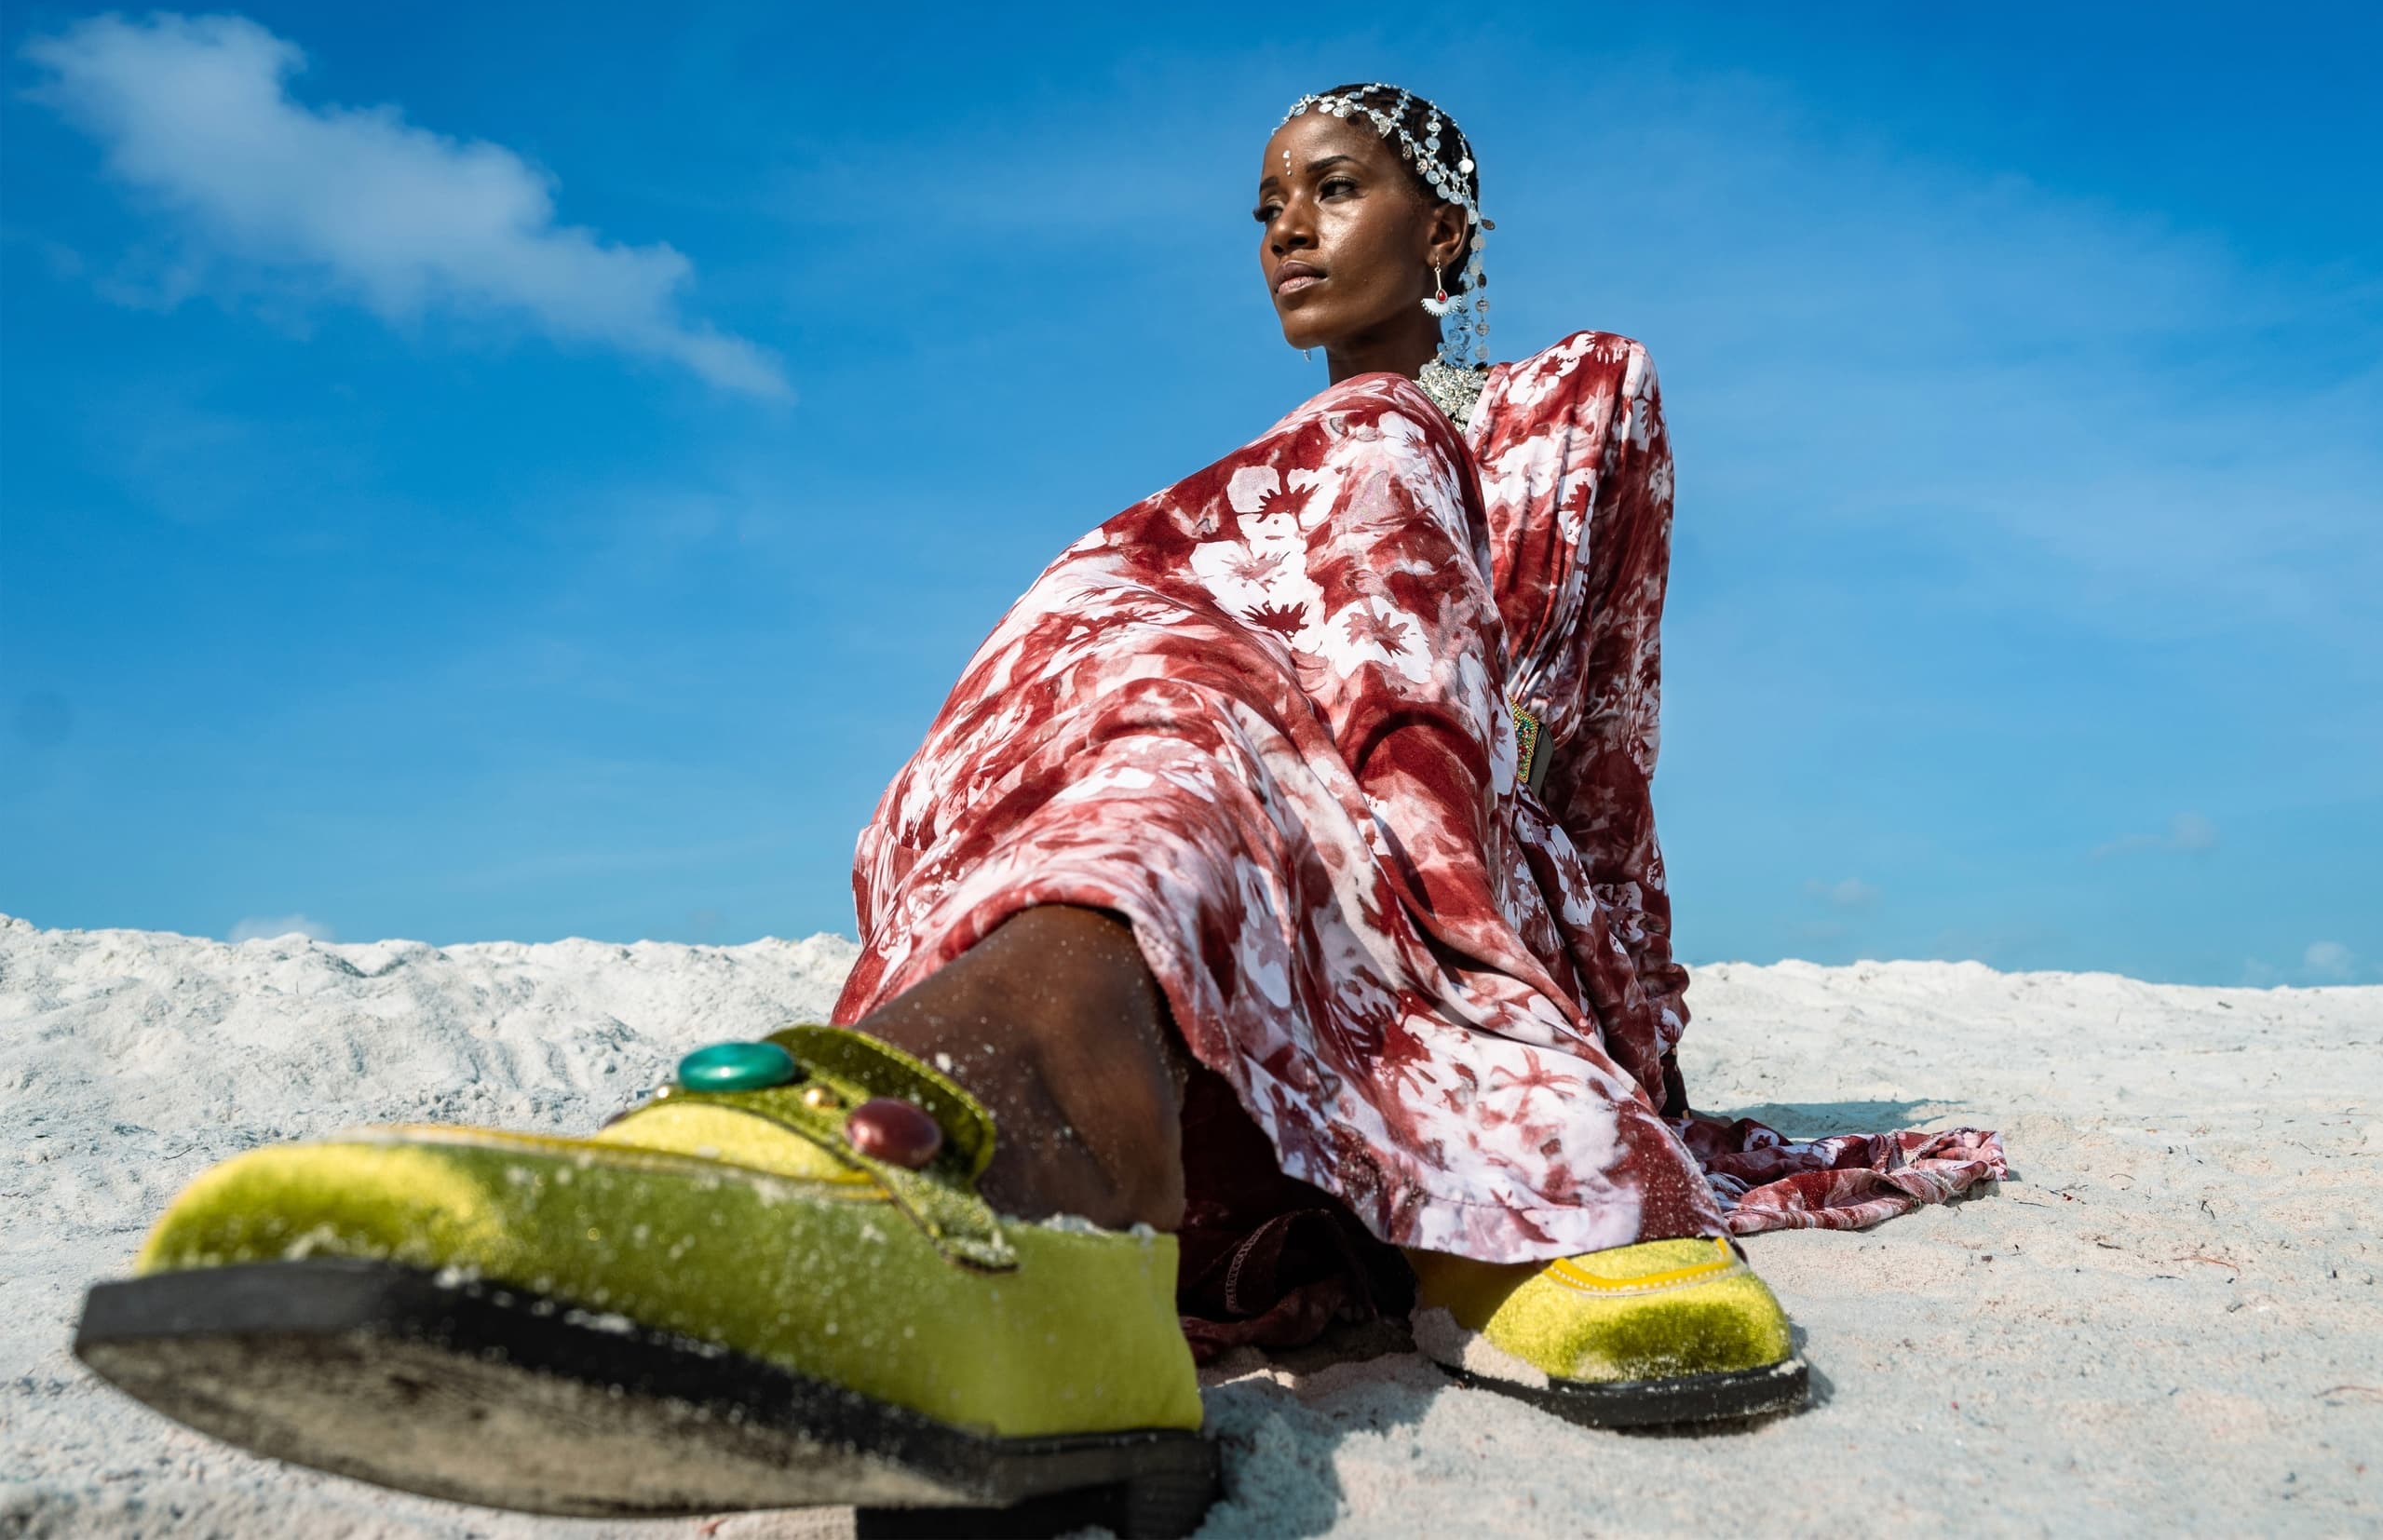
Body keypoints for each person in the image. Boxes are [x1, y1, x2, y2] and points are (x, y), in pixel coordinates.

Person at [75, 84, 2004, 1533]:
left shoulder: (1560, 406)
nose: (1283, 231)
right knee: (1142, 718)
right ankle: (972, 1175)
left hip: (1403, 879)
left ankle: (1002, 1189)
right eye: (1260, 205)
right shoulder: (1228, 481)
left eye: (1332, 190)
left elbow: (1572, 747)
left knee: (1197, 738)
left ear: (1448, 230)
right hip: (1210, 798)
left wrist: (1536, 1034)